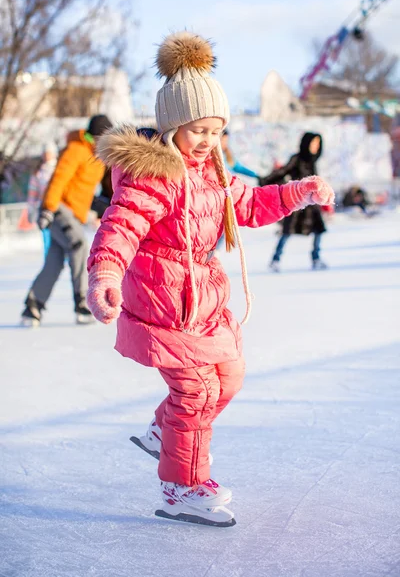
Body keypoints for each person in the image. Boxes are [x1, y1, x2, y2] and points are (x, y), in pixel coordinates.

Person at [86, 32, 334, 527]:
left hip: (204, 301)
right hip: (165, 302)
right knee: (195, 393)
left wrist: (298, 192)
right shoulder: (152, 176)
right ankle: (181, 487)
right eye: (198, 129)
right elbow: (121, 225)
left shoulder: (211, 174)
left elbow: (251, 203)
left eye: (216, 131)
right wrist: (105, 273)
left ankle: (165, 430)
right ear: (173, 124)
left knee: (230, 377)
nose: (207, 140)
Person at [21, 114, 112, 327]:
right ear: (93, 136)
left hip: (74, 214)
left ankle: (33, 305)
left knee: (54, 260)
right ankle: (82, 301)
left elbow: (85, 192)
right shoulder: (76, 150)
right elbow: (59, 179)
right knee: (79, 245)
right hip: (60, 209)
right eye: (101, 139)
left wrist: (104, 208)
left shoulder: (97, 160)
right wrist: (48, 209)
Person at [260, 132, 329, 271]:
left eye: (317, 144)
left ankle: (316, 258)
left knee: (319, 229)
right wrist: (266, 180)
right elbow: (283, 171)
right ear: (306, 143)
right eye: (313, 143)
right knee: (287, 231)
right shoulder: (297, 159)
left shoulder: (313, 160)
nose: (315, 146)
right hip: (297, 201)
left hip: (311, 203)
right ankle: (275, 260)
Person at [26, 142, 58, 259]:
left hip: (57, 208)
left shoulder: (59, 169)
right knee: (46, 234)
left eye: (49, 153)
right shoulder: (38, 172)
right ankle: (48, 257)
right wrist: (31, 209)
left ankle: (64, 258)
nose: (46, 155)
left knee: (61, 235)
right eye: (45, 153)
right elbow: (32, 193)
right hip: (42, 208)